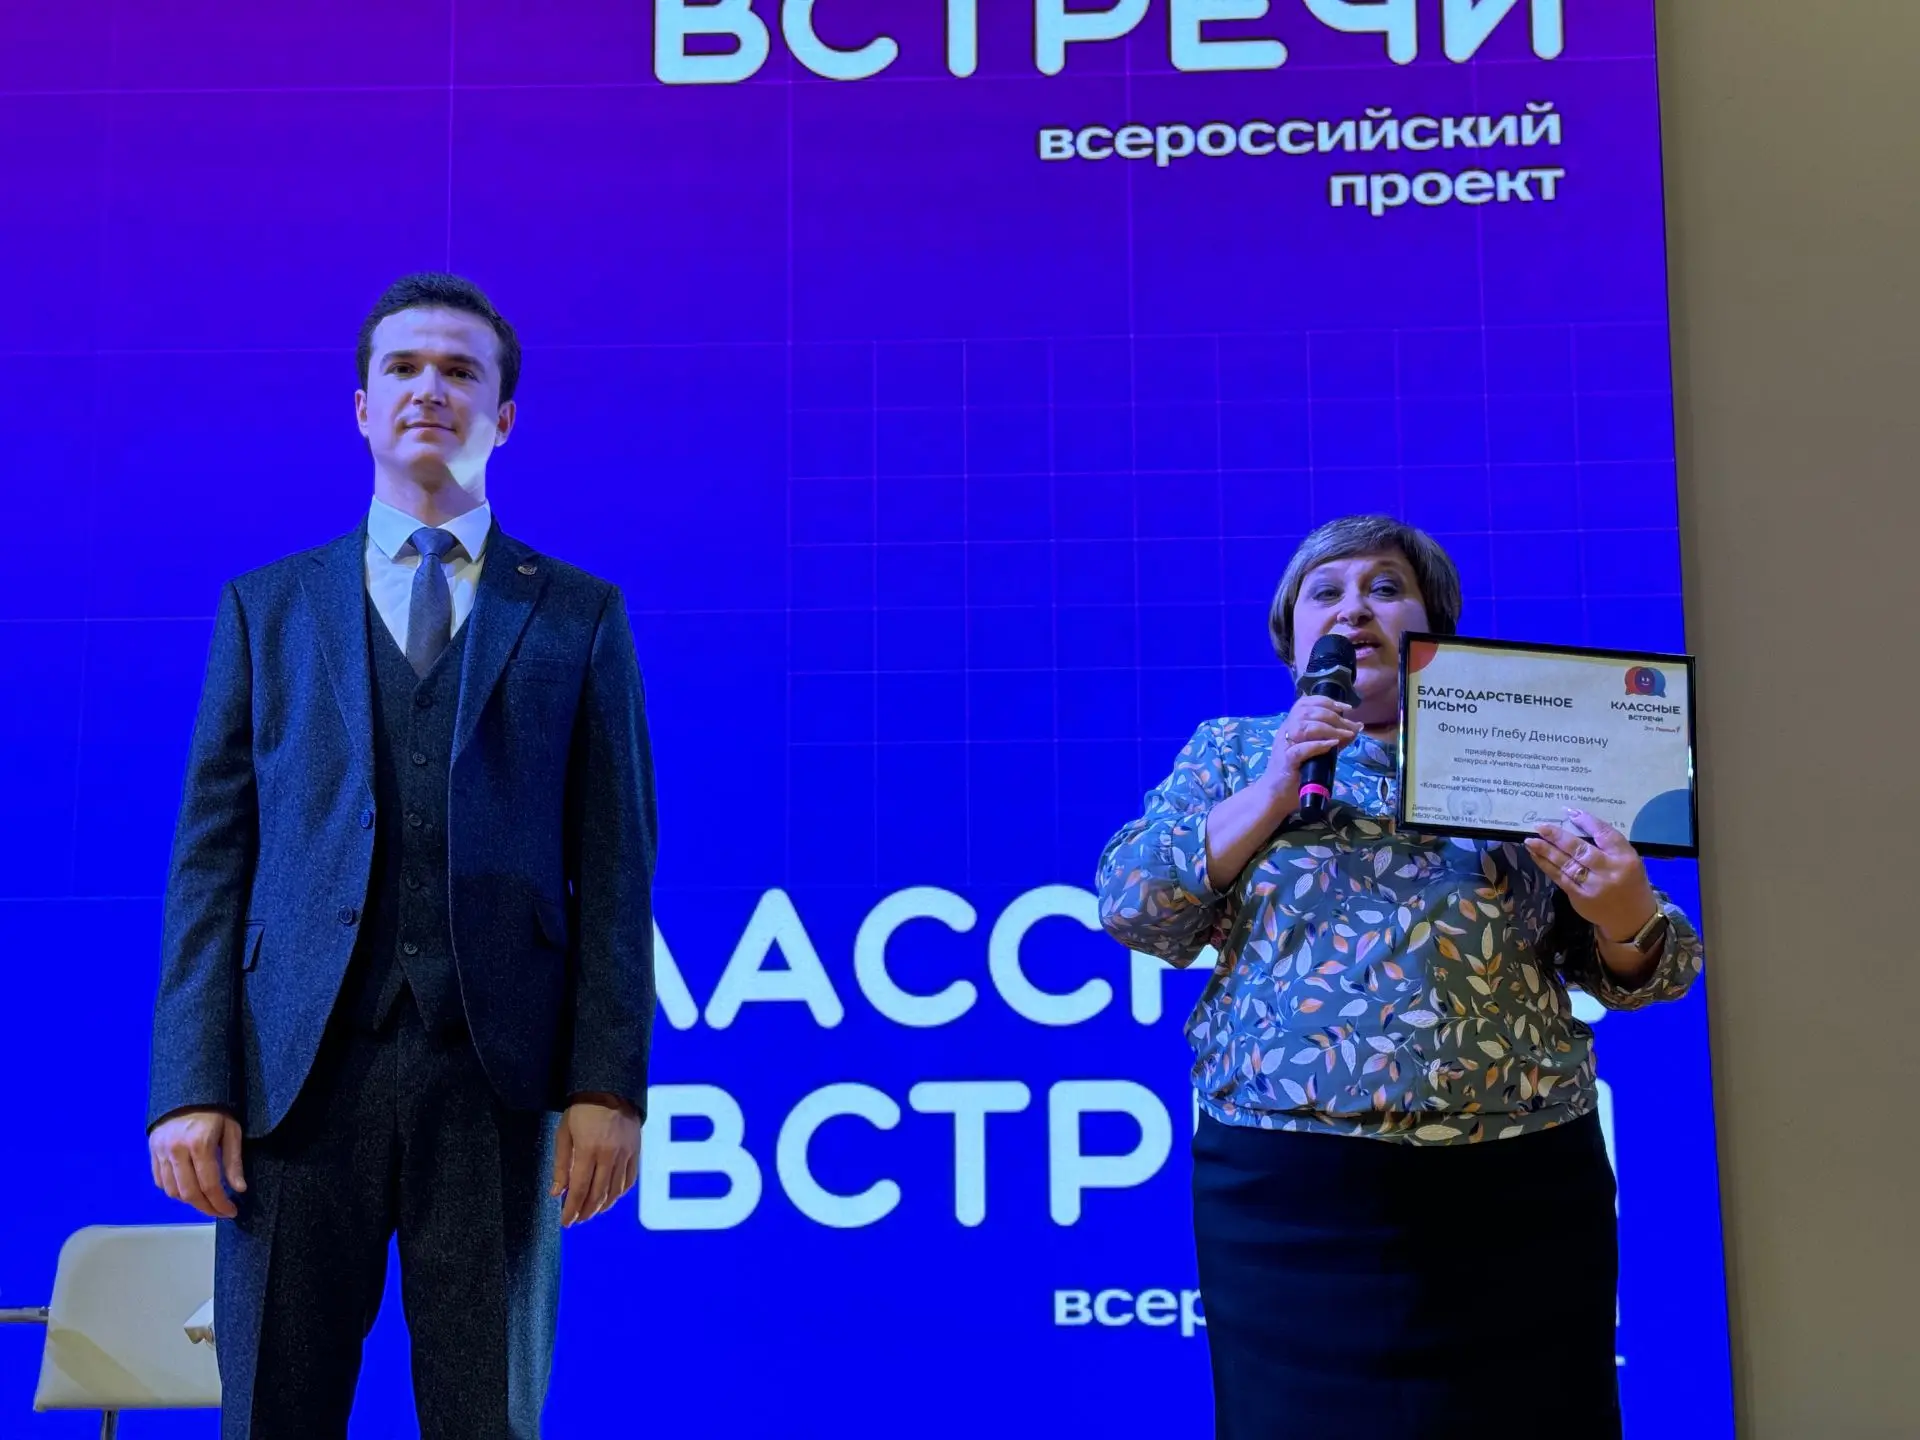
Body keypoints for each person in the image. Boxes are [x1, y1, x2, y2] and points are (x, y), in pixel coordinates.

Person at [145, 272, 658, 1439]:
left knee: (488, 1418)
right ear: (363, 408)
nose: (431, 388)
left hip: (497, 1082)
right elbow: (209, 863)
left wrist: (605, 1087)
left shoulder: (578, 615)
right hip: (290, 1082)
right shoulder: (266, 608)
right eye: (405, 369)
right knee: (274, 1413)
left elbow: (615, 869)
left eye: (461, 371)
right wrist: (190, 1083)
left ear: (504, 416)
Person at [1096, 514, 1703, 1439]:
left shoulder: (1522, 751)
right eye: (1326, 593)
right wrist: (1275, 786)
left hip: (1520, 1180)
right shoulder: (1233, 752)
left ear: (1434, 630)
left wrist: (1623, 913)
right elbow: (1135, 906)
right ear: (1291, 640)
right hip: (1290, 1192)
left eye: (1385, 588)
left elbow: (1639, 971)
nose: (1354, 610)